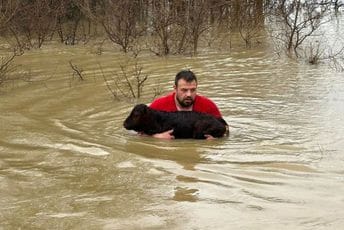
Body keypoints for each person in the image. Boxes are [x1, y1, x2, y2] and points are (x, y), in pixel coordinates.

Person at [149, 70, 229, 139]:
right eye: (184, 90)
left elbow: (225, 130)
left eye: (193, 90)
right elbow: (140, 134)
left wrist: (216, 139)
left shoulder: (208, 106)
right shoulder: (158, 106)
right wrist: (156, 137)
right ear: (175, 88)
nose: (189, 94)